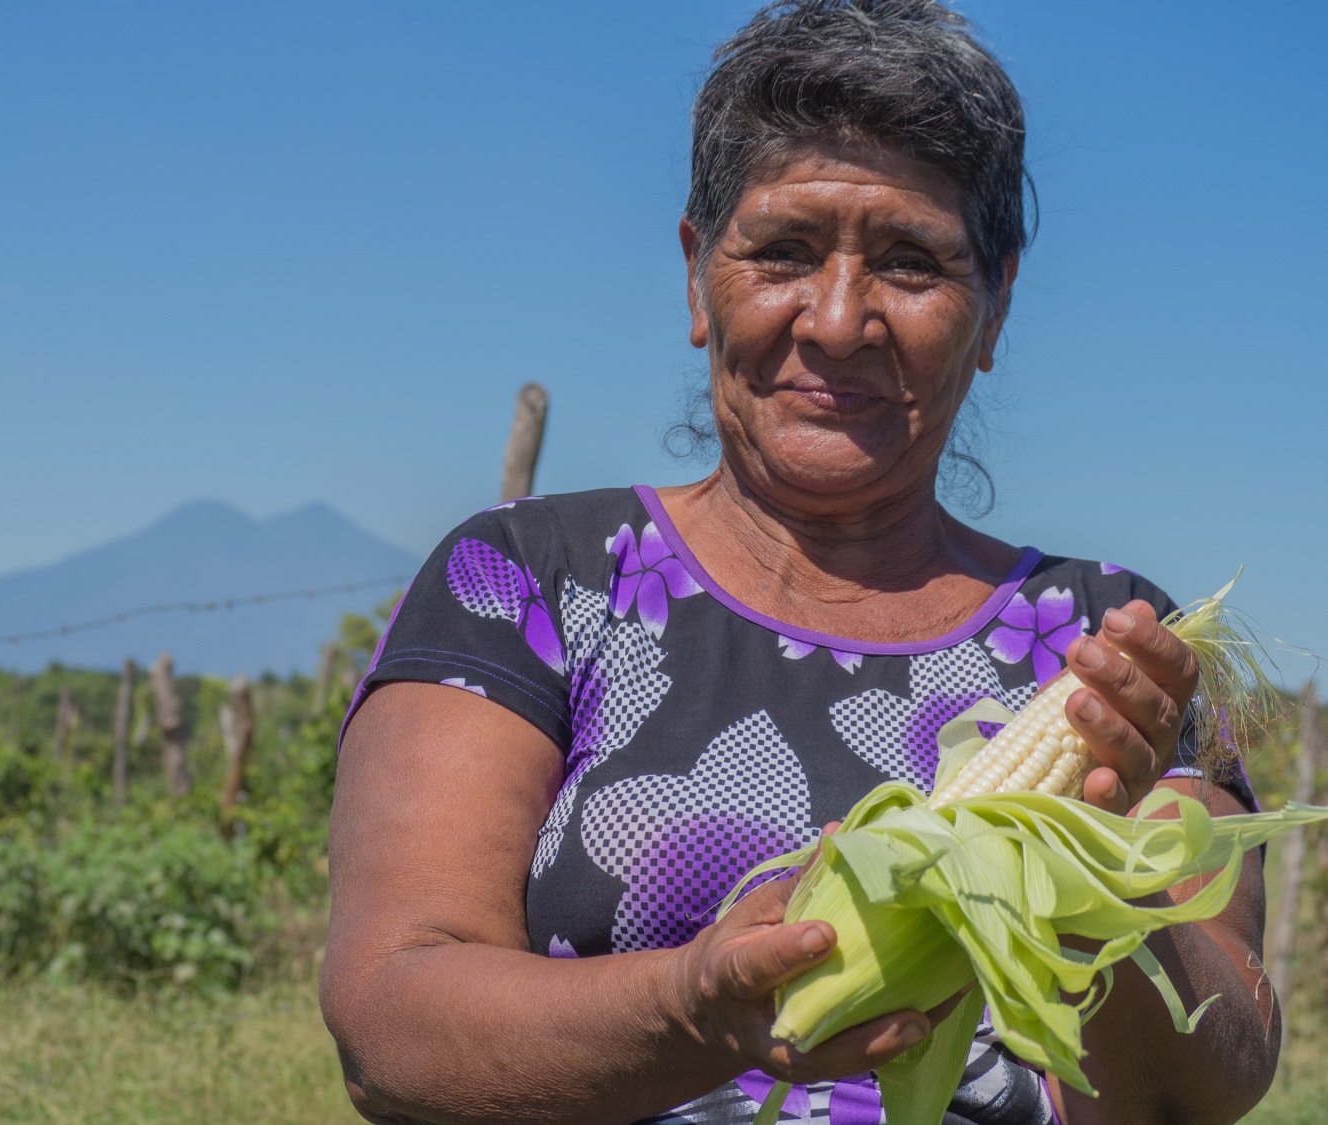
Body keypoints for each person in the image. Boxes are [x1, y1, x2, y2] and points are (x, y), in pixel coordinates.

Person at [319, 2, 1280, 1122]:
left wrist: (1085, 879)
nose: (836, 321)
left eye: (912, 262)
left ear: (997, 303)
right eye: (783, 250)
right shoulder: (530, 582)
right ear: (696, 275)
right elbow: (390, 1019)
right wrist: (694, 1009)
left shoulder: (1110, 647)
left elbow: (1213, 1081)